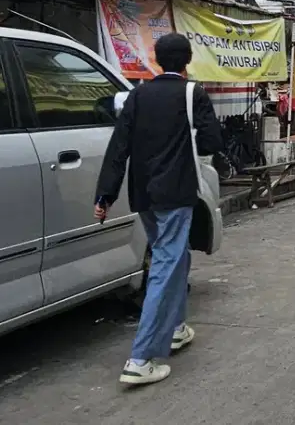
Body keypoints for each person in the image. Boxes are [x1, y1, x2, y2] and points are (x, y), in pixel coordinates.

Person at [95, 33, 223, 386]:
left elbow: (118, 148)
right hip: (176, 194)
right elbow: (212, 140)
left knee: (175, 255)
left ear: (156, 59)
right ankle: (141, 357)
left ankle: (176, 327)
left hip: (143, 195)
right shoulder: (191, 93)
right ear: (187, 60)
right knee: (166, 264)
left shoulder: (137, 95)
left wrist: (104, 196)